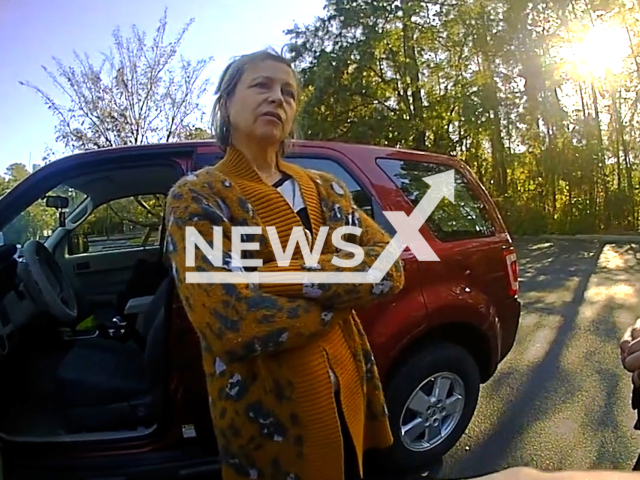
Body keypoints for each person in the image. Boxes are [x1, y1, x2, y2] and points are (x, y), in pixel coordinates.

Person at [163, 48, 405, 480]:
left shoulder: (328, 190)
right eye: (261, 85)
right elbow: (233, 324)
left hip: (347, 396)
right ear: (225, 102)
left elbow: (390, 269)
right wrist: (342, 295)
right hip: (267, 424)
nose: (278, 97)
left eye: (289, 92)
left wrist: (276, 276)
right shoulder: (199, 196)